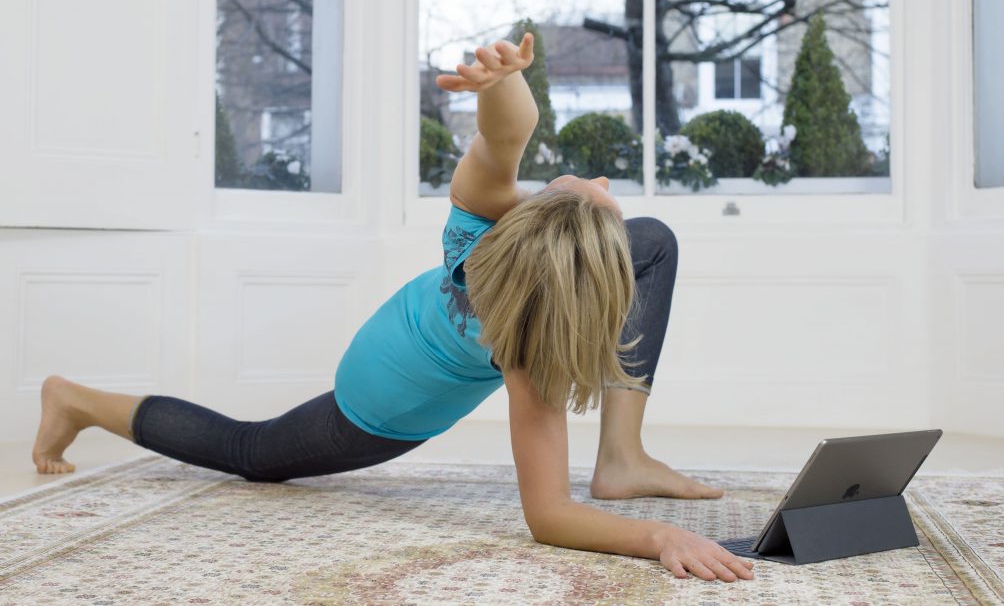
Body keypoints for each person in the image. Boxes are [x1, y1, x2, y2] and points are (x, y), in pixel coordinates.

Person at [31, 33, 754, 583]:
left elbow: (505, 141)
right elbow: (550, 515)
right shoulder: (528, 342)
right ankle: (78, 399)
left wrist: (507, 92)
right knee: (252, 453)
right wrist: (655, 538)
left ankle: (621, 459)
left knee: (651, 241)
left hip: (395, 336)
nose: (597, 177)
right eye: (596, 192)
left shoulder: (483, 231)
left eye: (589, 191)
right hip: (376, 406)